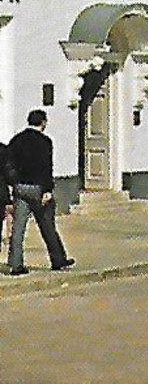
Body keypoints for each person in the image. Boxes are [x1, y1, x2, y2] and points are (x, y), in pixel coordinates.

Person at [5, 110, 72, 274]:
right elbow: (46, 167)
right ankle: (58, 259)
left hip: (20, 188)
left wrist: (14, 183)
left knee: (18, 228)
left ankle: (15, 264)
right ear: (43, 122)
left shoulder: (16, 140)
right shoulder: (45, 142)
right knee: (47, 225)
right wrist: (47, 190)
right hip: (38, 188)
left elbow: (8, 165)